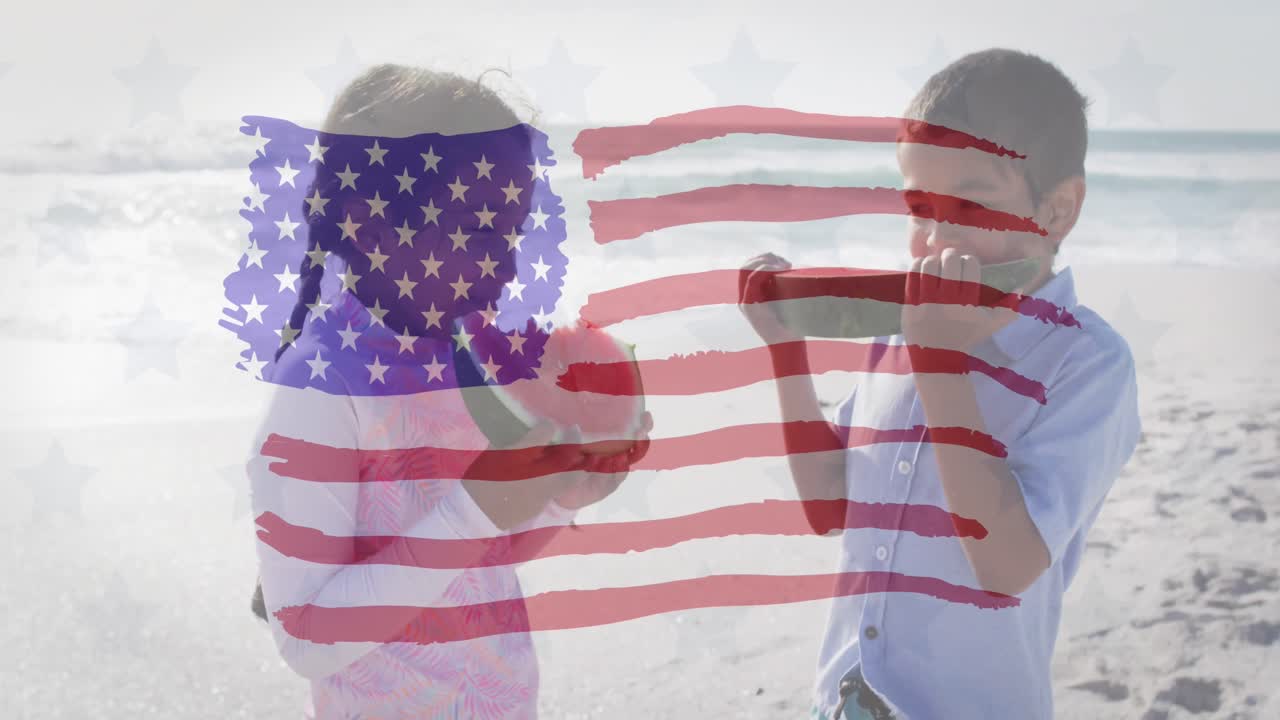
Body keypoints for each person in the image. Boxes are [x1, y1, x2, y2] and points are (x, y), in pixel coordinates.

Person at [739, 49, 1141, 719]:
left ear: (1058, 210)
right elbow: (828, 505)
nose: (935, 239)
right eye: (920, 207)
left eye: (970, 205)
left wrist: (940, 363)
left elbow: (1006, 565)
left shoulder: (1088, 363)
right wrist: (786, 349)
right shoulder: (904, 333)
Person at [246, 64, 649, 719]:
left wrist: (559, 495)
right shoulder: (321, 389)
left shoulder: (462, 364)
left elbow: (479, 562)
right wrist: (476, 510)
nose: (509, 265)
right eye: (483, 231)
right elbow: (306, 637)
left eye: (514, 232)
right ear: (370, 228)